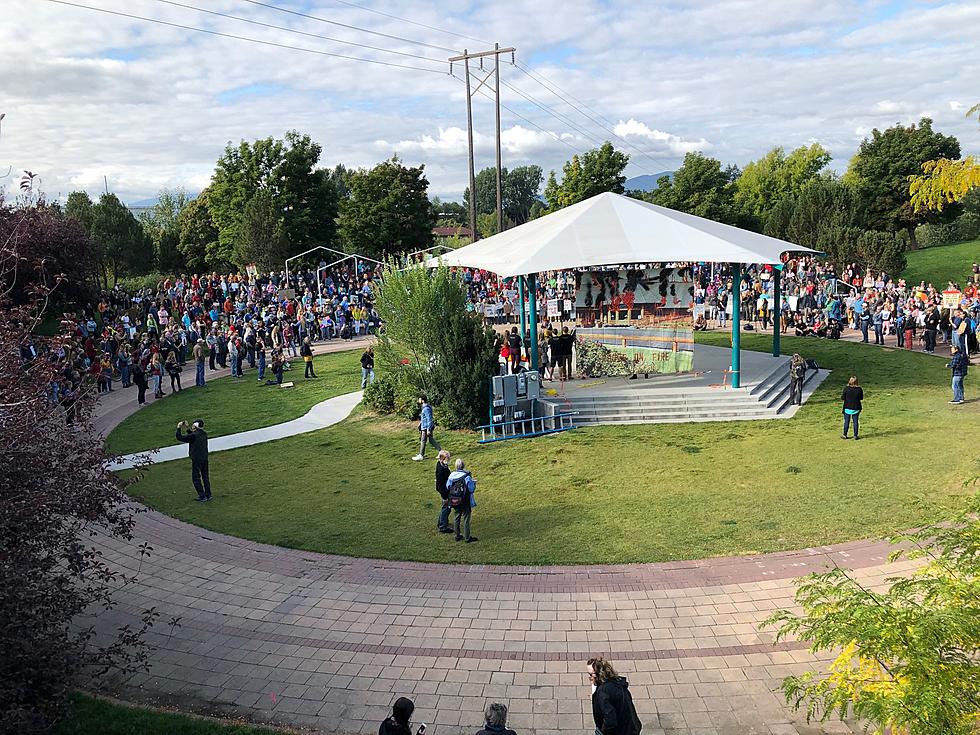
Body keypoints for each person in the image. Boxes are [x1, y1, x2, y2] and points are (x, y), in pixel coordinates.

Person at [586, 656, 642, 735]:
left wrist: (603, 732)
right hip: (631, 726)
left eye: (591, 674)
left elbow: (610, 721)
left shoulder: (603, 693)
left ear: (599, 674)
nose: (589, 677)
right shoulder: (616, 682)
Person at [175, 419, 212, 501]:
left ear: (195, 426)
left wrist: (178, 427)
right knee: (205, 477)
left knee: (195, 477)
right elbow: (193, 436)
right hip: (204, 458)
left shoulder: (194, 436)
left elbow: (180, 437)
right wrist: (187, 428)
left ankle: (202, 496)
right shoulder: (204, 434)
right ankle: (208, 494)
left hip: (196, 459)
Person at [447, 458, 477, 543]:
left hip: (455, 500)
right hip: (465, 500)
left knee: (457, 517)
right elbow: (471, 489)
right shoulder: (467, 476)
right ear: (463, 466)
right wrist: (474, 483)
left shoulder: (451, 476)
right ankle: (467, 537)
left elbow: (447, 486)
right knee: (466, 518)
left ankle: (457, 535)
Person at [412, 395, 440, 461]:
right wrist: (420, 424)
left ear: (422, 400)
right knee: (431, 440)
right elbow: (424, 418)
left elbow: (429, 419)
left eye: (419, 399)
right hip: (424, 427)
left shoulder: (426, 409)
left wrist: (428, 429)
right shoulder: (424, 407)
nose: (418, 401)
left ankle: (421, 455)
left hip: (426, 428)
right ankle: (441, 452)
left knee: (423, 441)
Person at [841, 376, 864, 440]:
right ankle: (855, 435)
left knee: (846, 422)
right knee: (855, 421)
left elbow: (842, 398)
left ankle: (845, 434)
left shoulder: (846, 388)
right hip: (856, 407)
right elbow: (861, 398)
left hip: (847, 407)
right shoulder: (859, 389)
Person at [435, 450, 453, 533]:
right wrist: (445, 497)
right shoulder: (441, 469)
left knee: (445, 507)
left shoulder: (441, 465)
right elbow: (441, 485)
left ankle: (441, 522)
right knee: (446, 508)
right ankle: (443, 527)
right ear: (442, 459)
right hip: (445, 492)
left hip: (445, 490)